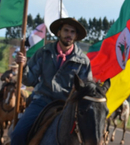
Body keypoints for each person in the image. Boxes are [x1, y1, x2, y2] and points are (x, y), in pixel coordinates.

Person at [11, 17, 93, 145]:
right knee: (17, 134)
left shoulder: (83, 61)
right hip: (42, 101)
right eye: (66, 30)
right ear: (59, 32)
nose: (69, 35)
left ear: (76, 36)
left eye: (72, 32)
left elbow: (85, 89)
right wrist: (24, 66)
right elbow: (29, 79)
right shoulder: (44, 52)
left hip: (68, 106)